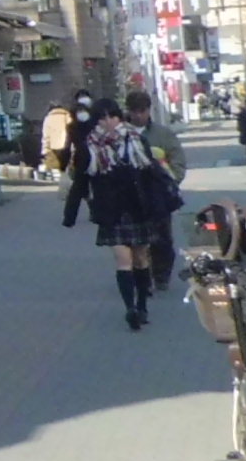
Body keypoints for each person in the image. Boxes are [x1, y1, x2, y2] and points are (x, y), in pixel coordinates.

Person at [64, 97, 177, 329]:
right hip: (111, 211)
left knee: (141, 258)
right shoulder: (89, 147)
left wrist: (167, 197)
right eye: (102, 118)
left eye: (112, 116)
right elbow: (81, 181)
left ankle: (142, 305)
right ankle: (130, 309)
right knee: (122, 259)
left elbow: (152, 172)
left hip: (138, 208)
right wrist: (70, 214)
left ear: (119, 117)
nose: (108, 122)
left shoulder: (136, 140)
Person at [125, 90, 187, 290]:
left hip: (158, 194)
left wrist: (172, 181)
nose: (138, 115)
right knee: (133, 239)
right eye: (134, 111)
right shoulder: (121, 134)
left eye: (142, 111)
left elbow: (177, 159)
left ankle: (161, 275)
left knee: (162, 239)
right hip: (130, 194)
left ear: (148, 110)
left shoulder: (162, 134)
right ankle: (139, 273)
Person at [39, 98, 76, 185]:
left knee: (55, 171)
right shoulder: (68, 116)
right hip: (66, 146)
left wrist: (45, 150)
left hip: (53, 148)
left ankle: (57, 184)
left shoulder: (48, 119)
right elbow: (73, 132)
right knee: (69, 170)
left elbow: (46, 136)